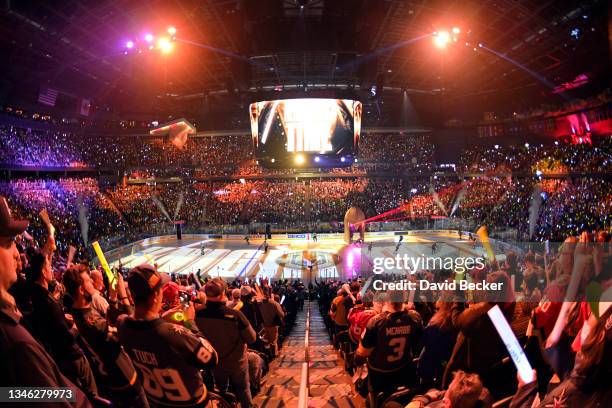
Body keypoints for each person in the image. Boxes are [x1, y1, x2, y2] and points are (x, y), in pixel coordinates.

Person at [0, 196, 91, 408]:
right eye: (8, 243)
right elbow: (31, 396)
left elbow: (9, 394)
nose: (17, 253)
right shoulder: (15, 342)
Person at [118, 263, 218, 407]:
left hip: (157, 402)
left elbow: (140, 324)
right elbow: (212, 360)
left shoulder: (122, 326)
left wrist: (161, 317)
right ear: (156, 295)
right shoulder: (175, 334)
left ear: (132, 294)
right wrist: (190, 323)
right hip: (192, 403)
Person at [62, 264, 148, 407]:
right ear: (82, 289)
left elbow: (107, 323)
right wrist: (124, 295)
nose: (92, 284)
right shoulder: (92, 322)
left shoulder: (78, 311)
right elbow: (132, 329)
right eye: (89, 281)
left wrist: (113, 298)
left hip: (112, 380)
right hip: (126, 381)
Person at [26, 247, 98, 397]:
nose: (51, 269)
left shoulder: (39, 296)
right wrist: (77, 326)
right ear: (43, 272)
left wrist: (62, 317)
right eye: (48, 266)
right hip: (72, 358)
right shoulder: (48, 302)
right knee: (91, 394)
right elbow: (65, 337)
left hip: (61, 358)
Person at [195, 278, 257, 408]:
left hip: (215, 361)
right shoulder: (235, 315)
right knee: (243, 389)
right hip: (237, 361)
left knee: (221, 391)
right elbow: (252, 338)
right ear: (223, 293)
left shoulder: (198, 314)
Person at [355, 298, 423, 403]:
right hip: (403, 367)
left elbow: (363, 353)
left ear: (387, 300)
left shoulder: (375, 321)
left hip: (379, 372)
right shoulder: (414, 317)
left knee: (358, 357)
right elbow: (418, 343)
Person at [405, 370, 492, 408]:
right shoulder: (482, 396)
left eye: (449, 387)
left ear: (447, 403)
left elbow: (414, 403)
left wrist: (424, 399)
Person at [259, 286, 285, 356]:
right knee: (273, 341)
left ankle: (267, 354)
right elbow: (282, 314)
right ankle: (273, 355)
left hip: (263, 325)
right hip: (273, 325)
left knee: (266, 341)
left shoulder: (259, 303)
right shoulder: (274, 303)